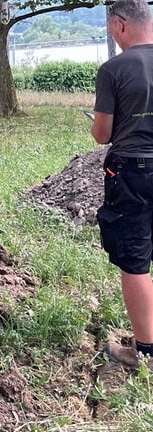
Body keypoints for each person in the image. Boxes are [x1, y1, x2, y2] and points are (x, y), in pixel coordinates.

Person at [91, 0, 153, 369]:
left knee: (135, 262)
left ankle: (144, 351)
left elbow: (103, 134)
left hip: (134, 173)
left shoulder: (114, 69)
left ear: (120, 24)